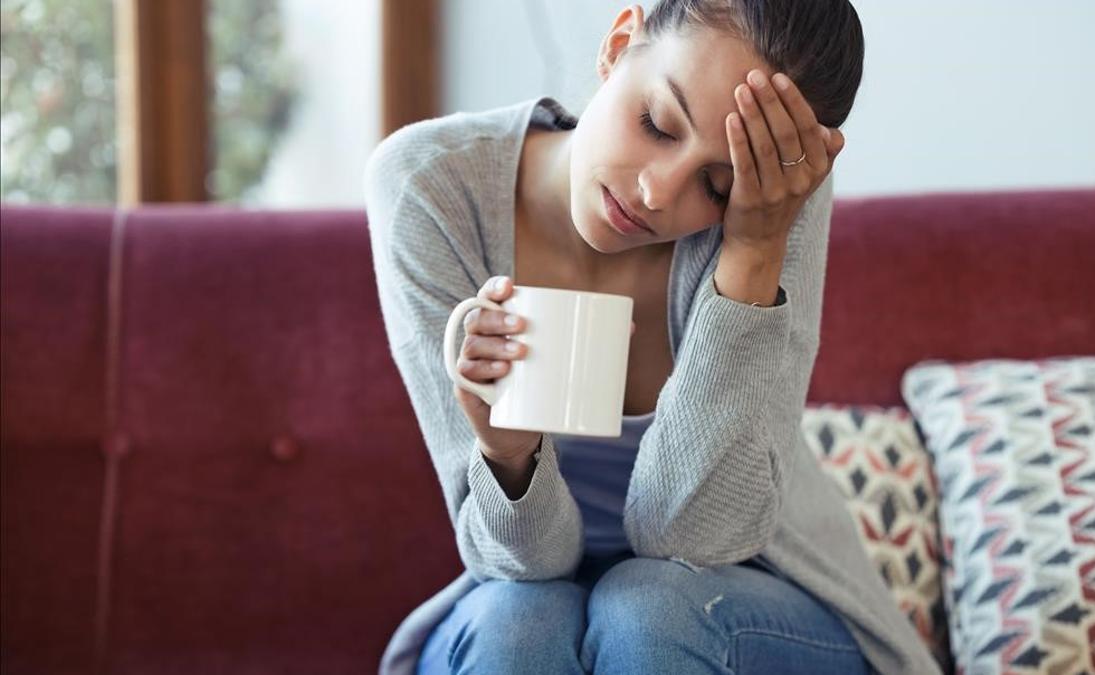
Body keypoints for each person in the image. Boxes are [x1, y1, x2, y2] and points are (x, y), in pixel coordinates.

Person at [364, 1, 941, 673]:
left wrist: (754, 247)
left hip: (740, 603)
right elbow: (521, 562)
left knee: (648, 609)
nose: (658, 193)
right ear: (617, 44)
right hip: (523, 598)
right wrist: (507, 453)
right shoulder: (430, 185)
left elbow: (692, 536)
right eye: (658, 124)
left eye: (716, 187)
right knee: (518, 622)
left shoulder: (774, 201)